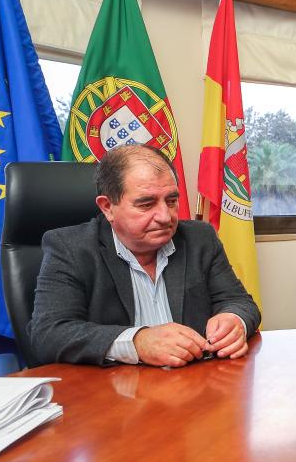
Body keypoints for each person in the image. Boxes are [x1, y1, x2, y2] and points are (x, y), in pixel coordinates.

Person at [27, 144, 261, 367]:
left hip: (193, 387)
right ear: (108, 207)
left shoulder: (200, 238)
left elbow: (240, 302)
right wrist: (137, 342)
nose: (165, 216)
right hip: (116, 394)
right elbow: (48, 333)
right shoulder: (70, 247)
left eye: (171, 201)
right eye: (146, 204)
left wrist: (234, 320)